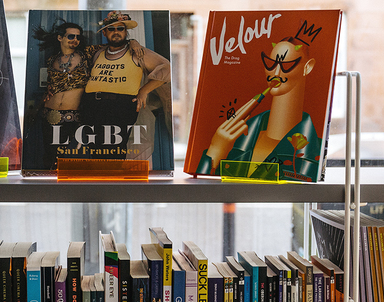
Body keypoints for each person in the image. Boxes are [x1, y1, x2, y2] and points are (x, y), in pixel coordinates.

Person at [196, 30, 322, 181]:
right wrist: (215, 150)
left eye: (286, 65)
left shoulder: (314, 150)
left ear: (307, 67)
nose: (275, 72)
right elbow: (206, 188)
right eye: (271, 63)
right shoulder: (239, 135)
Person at [80, 11, 171, 160]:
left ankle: (113, 183)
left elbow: (166, 68)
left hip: (119, 106)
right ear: (104, 32)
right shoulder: (97, 53)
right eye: (111, 29)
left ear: (126, 32)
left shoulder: (137, 52)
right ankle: (98, 183)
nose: (116, 32)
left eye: (120, 29)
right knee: (96, 152)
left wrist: (144, 90)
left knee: (114, 152)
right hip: (92, 106)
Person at [31, 20, 91, 168]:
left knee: (68, 157)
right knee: (50, 156)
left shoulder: (86, 56)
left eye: (78, 37)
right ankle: (48, 187)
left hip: (72, 115)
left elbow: (108, 48)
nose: (75, 40)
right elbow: (51, 86)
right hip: (49, 113)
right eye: (71, 36)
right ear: (60, 38)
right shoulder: (52, 60)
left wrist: (133, 43)